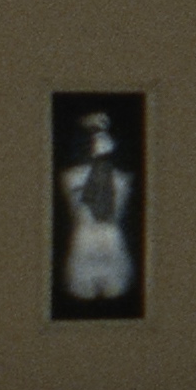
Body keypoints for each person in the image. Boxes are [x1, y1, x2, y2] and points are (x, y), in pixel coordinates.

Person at [60, 110, 135, 305]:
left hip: (112, 242)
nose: (99, 140)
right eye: (92, 134)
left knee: (116, 299)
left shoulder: (123, 179)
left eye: (102, 133)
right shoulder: (71, 178)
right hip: (84, 242)